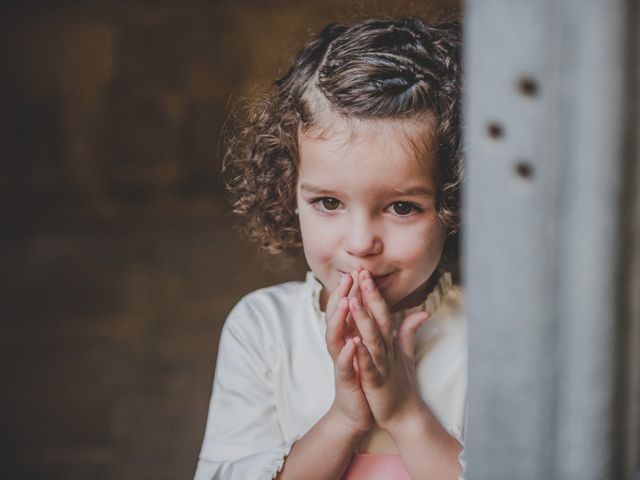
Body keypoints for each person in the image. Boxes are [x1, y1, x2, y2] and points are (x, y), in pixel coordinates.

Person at [194, 17, 466, 480]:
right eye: (328, 202)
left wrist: (403, 413)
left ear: (455, 199)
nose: (360, 243)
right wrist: (344, 419)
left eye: (402, 207)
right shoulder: (262, 332)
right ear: (288, 191)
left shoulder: (494, 340)